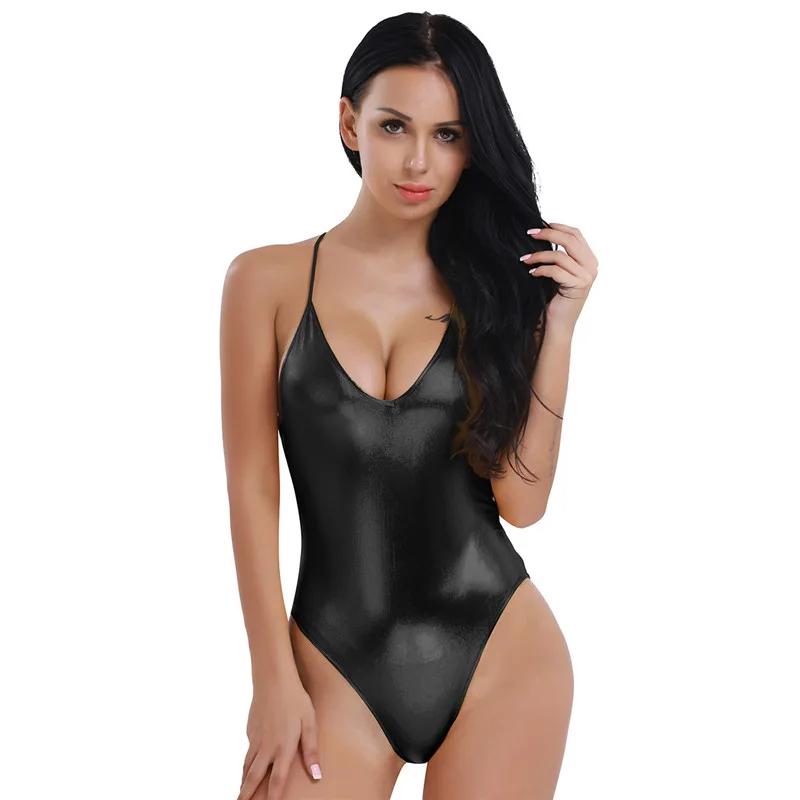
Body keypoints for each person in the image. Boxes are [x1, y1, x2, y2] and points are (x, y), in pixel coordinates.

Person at [220, 11, 598, 800]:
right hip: (332, 662)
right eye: (395, 126)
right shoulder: (264, 282)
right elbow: (253, 490)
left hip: (502, 656)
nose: (419, 160)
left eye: (449, 135)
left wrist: (558, 325)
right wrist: (272, 680)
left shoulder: (500, 292)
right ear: (349, 123)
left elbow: (522, 505)